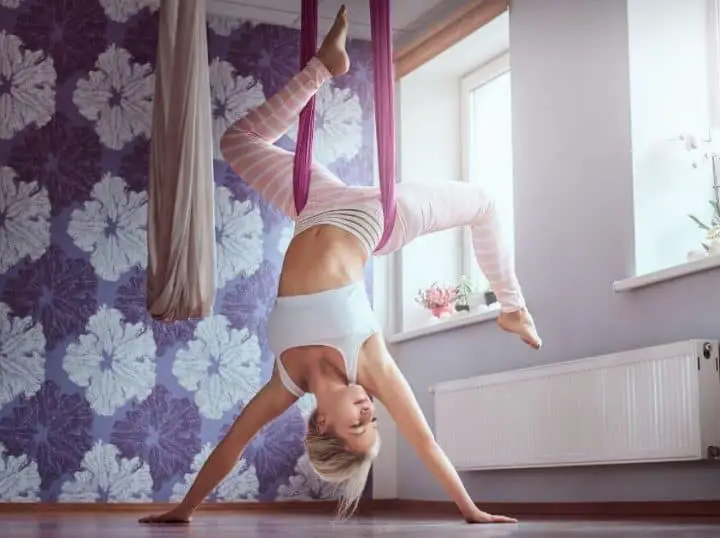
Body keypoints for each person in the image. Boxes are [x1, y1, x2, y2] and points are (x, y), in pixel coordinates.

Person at [139, 5, 539, 525]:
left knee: (236, 142)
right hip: (381, 218)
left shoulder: (285, 382)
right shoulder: (369, 366)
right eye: (374, 423)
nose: (371, 412)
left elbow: (231, 445)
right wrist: (471, 511)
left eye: (359, 425)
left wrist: (183, 510)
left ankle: (324, 66)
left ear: (323, 423)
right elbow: (425, 441)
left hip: (313, 204)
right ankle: (514, 309)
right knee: (483, 202)